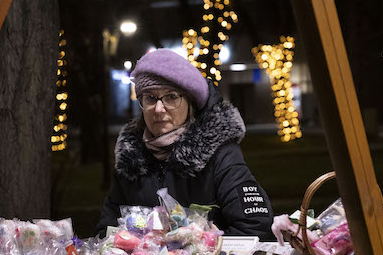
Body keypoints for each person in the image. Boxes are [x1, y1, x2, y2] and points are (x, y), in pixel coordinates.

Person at [97, 49, 274, 238]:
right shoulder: (130, 160)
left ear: (190, 102)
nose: (158, 109)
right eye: (150, 98)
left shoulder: (220, 154)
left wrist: (201, 249)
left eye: (171, 97)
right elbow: (105, 232)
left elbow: (256, 227)